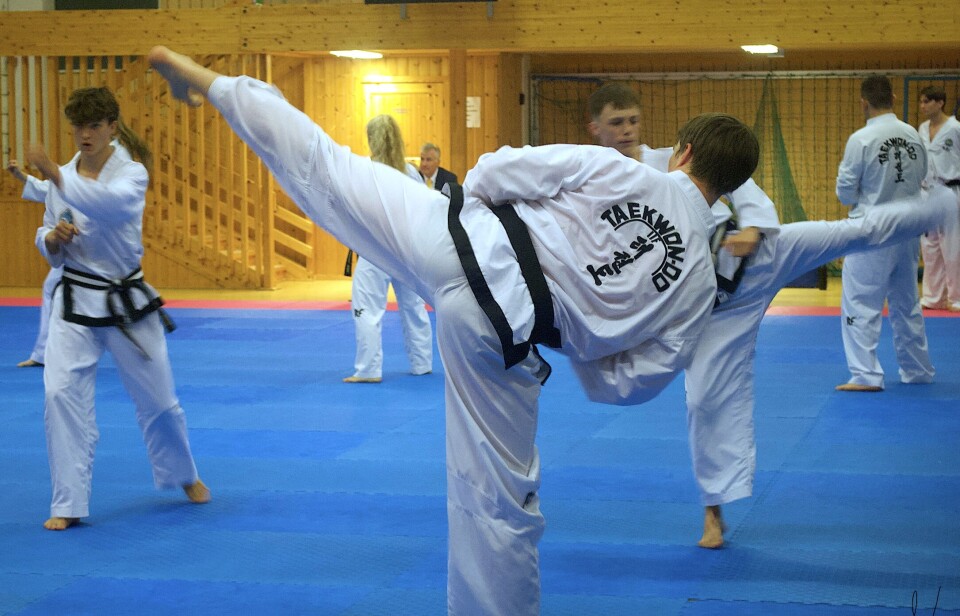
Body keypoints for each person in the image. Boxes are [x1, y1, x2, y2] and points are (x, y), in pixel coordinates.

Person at [148, 45, 760, 615]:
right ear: (730, 189)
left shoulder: (622, 170)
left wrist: (478, 216)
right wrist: (582, 342)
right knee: (498, 505)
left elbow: (500, 167)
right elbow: (629, 385)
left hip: (457, 240)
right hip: (503, 335)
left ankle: (211, 83)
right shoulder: (698, 286)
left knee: (326, 165)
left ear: (682, 152)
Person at [587, 81, 950, 549]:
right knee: (704, 402)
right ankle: (713, 511)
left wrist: (755, 227)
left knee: (852, 232)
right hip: (709, 309)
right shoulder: (596, 181)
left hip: (758, 260)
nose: (627, 130)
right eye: (616, 123)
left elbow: (740, 182)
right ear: (595, 129)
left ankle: (945, 206)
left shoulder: (671, 160)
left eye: (633, 120)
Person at [28, 85, 210, 531]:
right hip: (75, 300)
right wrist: (52, 239)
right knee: (58, 395)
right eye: (78, 126)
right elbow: (48, 230)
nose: (85, 135)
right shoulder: (62, 176)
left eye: (94, 126)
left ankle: (183, 474)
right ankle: (68, 501)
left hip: (126, 301)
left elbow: (108, 206)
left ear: (112, 127)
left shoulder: (131, 174)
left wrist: (55, 176)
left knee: (160, 401)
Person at [835, 75, 934, 392]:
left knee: (860, 301)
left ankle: (865, 375)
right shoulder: (913, 134)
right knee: (907, 303)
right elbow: (924, 176)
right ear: (893, 98)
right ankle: (917, 370)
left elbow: (845, 193)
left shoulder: (861, 139)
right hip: (908, 229)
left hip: (873, 229)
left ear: (863, 103)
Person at [344, 115, 433, 383]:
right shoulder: (410, 173)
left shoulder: (363, 170)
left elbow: (354, 211)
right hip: (407, 249)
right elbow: (425, 211)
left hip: (376, 250)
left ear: (371, 139)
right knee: (414, 307)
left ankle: (368, 369)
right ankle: (422, 363)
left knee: (366, 309)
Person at [5, 158, 60, 368]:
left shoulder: (76, 180)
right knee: (52, 289)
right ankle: (42, 354)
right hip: (72, 253)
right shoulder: (63, 182)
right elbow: (44, 188)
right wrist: (19, 175)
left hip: (88, 250)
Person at [917, 85, 960, 311]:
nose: (922, 106)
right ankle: (932, 297)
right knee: (929, 246)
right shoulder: (922, 129)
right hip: (928, 191)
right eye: (921, 101)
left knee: (953, 246)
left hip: (951, 189)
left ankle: (956, 297)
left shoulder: (955, 128)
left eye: (927, 101)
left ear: (940, 102)